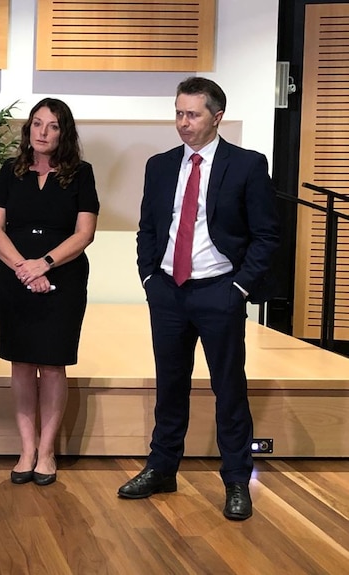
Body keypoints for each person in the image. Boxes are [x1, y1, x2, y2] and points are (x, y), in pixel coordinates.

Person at [117, 77, 279, 521]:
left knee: (229, 389)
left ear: (217, 116)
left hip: (219, 291)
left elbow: (266, 235)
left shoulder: (246, 164)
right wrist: (149, 277)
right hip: (168, 291)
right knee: (170, 386)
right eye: (178, 113)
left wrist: (239, 288)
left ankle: (236, 481)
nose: (183, 123)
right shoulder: (160, 165)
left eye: (192, 114)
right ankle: (162, 467)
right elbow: (149, 227)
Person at [0, 98, 99, 486]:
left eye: (52, 126)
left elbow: (84, 233)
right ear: (28, 129)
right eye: (37, 124)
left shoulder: (81, 174)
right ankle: (27, 450)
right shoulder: (9, 171)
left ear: (63, 132)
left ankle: (48, 452)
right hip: (15, 276)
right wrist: (23, 268)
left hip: (62, 277)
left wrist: (44, 264)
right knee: (21, 362)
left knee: (52, 365)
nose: (42, 132)